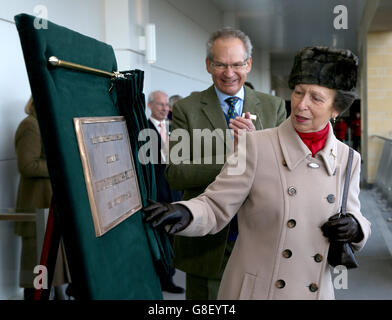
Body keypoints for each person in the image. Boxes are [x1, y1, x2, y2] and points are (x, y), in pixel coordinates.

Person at [146, 46, 371, 300]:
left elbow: (354, 211)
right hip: (258, 292)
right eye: (298, 93)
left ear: (335, 110)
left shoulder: (348, 159)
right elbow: (215, 204)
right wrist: (184, 212)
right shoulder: (255, 145)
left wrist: (355, 227)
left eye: (316, 98)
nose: (301, 105)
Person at [165, 27, 286, 300]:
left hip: (261, 240)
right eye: (220, 64)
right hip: (208, 244)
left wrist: (256, 152)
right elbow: (176, 174)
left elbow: (284, 170)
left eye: (236, 64)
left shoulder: (274, 106)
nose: (229, 73)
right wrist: (234, 162)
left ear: (249, 64)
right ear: (208, 64)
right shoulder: (187, 108)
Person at [15, 97, 71, 300]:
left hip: (49, 207)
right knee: (37, 273)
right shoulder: (30, 125)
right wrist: (61, 168)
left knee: (51, 270)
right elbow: (27, 165)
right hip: (37, 208)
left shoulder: (46, 124)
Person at [147, 91, 184, 294]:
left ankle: (168, 277)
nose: (164, 108)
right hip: (157, 191)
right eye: (160, 104)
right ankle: (162, 279)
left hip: (174, 190)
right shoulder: (143, 128)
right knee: (160, 236)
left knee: (173, 236)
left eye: (166, 105)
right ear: (150, 105)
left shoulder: (173, 128)